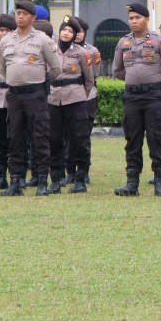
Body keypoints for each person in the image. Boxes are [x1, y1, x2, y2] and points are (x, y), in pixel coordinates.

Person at [112, 2, 161, 197]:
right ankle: (132, 184)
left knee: (157, 138)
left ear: (146, 19)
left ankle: (159, 182)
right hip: (132, 97)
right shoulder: (123, 42)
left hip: (154, 96)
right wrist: (134, 79)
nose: (133, 21)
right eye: (131, 18)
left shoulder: (159, 41)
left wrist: (155, 80)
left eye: (137, 18)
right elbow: (117, 70)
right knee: (132, 139)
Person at [0, 0, 62, 197]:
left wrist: (38, 81)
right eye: (18, 13)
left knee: (40, 137)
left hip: (36, 95)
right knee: (14, 138)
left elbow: (56, 69)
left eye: (25, 13)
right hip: (15, 96)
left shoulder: (43, 40)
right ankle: (15, 181)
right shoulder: (6, 40)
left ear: (33, 17)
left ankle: (42, 179)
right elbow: (2, 69)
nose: (20, 16)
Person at [47, 15, 95, 194]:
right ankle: (56, 179)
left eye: (70, 31)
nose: (66, 33)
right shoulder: (50, 50)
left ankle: (80, 179)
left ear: (75, 35)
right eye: (64, 30)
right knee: (54, 139)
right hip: (53, 100)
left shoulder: (82, 53)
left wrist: (80, 95)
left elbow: (89, 80)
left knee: (79, 139)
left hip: (75, 100)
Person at [73, 18, 99, 185]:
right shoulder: (60, 50)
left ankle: (84, 169)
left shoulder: (92, 51)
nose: (76, 35)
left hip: (87, 96)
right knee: (67, 136)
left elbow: (94, 75)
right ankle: (69, 170)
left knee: (83, 135)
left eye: (80, 31)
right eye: (74, 31)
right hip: (66, 97)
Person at [0, 15, 15, 190]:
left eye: (7, 30)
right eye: (2, 30)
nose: (4, 33)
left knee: (15, 138)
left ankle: (16, 175)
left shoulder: (18, 48)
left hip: (14, 94)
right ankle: (0, 176)